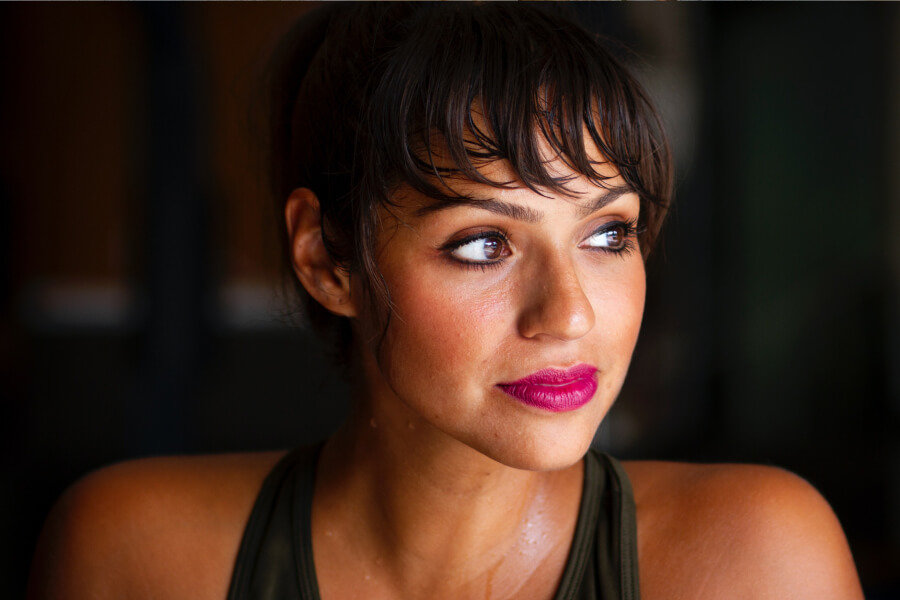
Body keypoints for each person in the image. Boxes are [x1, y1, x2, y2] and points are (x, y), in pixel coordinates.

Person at [28, 4, 863, 599]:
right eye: (484, 244)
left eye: (608, 234)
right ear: (327, 259)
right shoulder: (133, 556)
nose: (569, 314)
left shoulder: (758, 561)